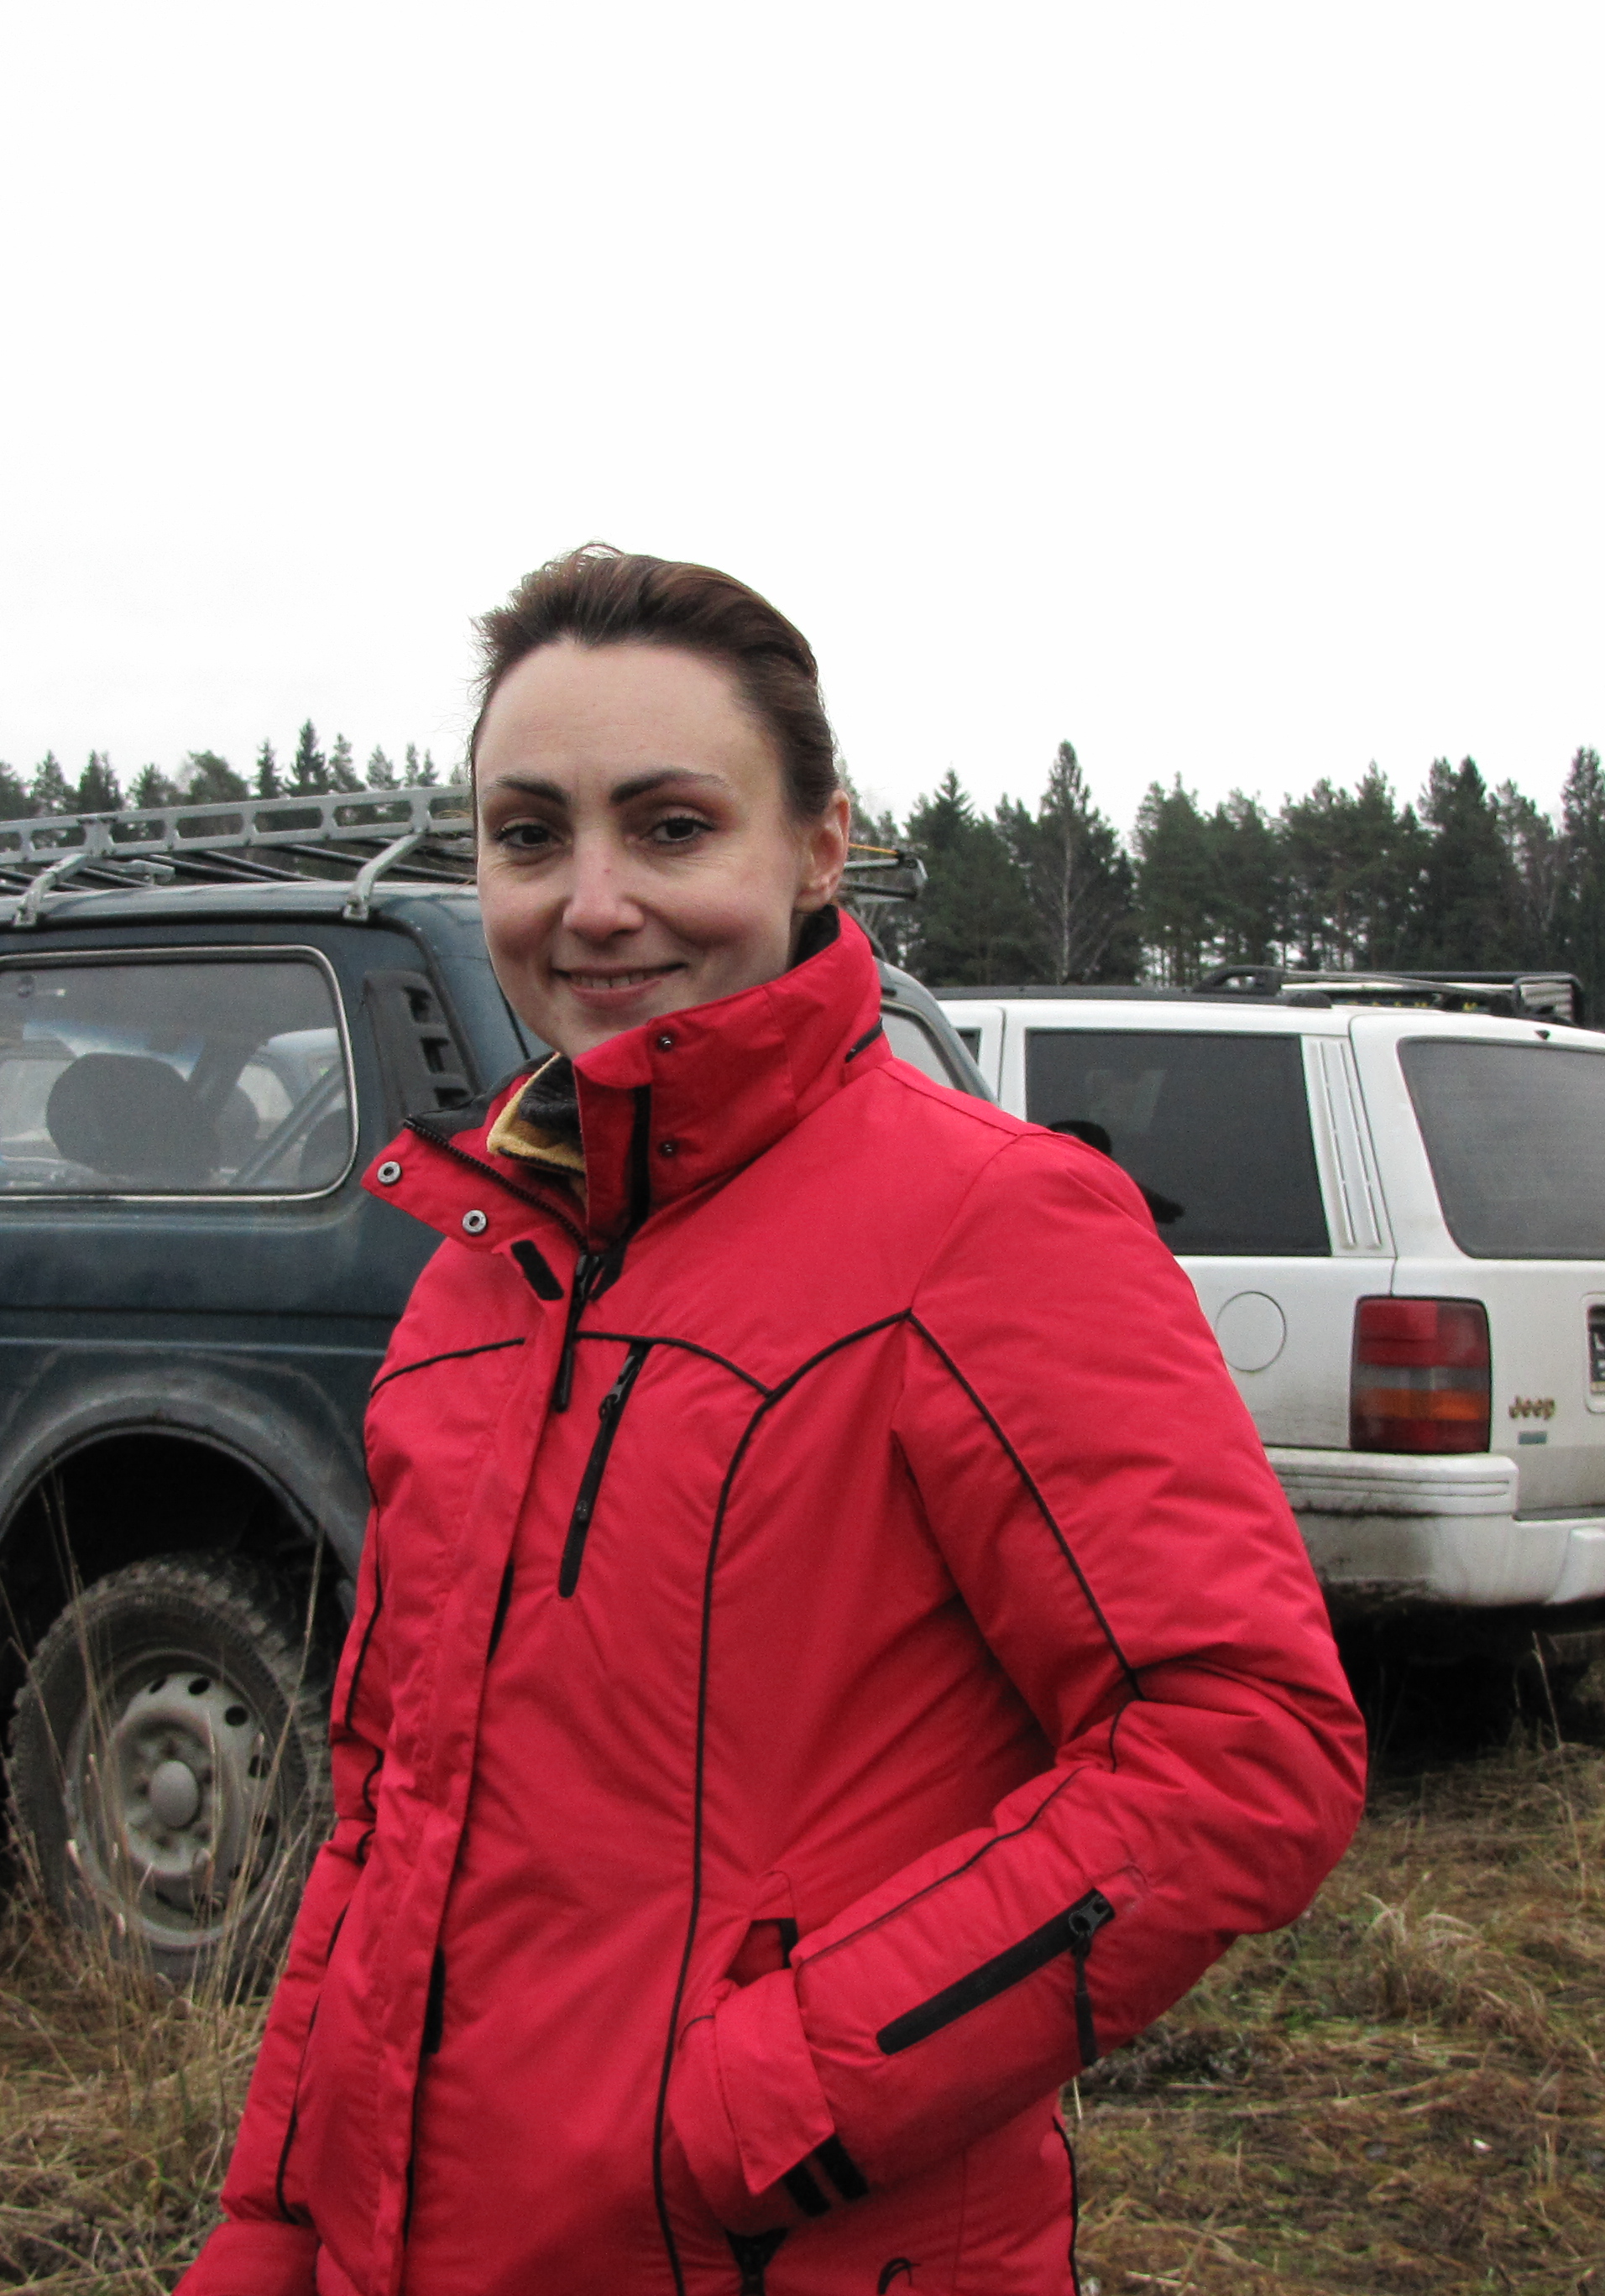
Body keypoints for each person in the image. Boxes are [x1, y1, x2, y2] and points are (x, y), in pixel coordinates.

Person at [174, 548, 1364, 2296]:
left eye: (672, 829)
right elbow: (386, 1817)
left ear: (818, 850)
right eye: (528, 836)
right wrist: (277, 2224)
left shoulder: (989, 1226)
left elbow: (1245, 1745)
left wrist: (770, 2095)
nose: (593, 904)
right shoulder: (477, 1280)